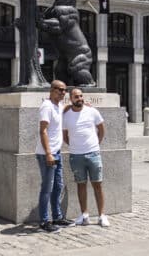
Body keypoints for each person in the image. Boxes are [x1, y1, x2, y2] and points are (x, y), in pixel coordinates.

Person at [62, 88, 109, 227]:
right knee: (81, 185)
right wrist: (75, 146)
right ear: (71, 99)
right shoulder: (66, 115)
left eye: (81, 96)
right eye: (76, 96)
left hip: (93, 153)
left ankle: (101, 215)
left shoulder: (92, 111)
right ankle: (84, 215)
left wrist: (96, 144)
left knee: (97, 184)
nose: (80, 98)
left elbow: (101, 129)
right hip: (76, 155)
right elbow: (65, 136)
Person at [36, 80, 73, 233]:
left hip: (56, 152)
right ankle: (44, 221)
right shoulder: (46, 106)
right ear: (51, 90)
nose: (63, 92)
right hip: (47, 154)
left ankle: (57, 217)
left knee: (58, 186)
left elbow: (68, 107)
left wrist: (84, 105)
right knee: (47, 188)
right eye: (60, 90)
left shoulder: (58, 106)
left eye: (65, 90)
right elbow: (43, 131)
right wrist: (48, 153)